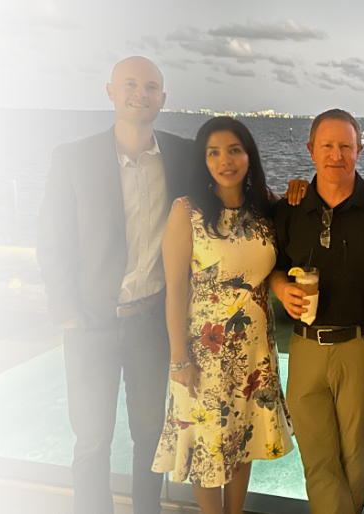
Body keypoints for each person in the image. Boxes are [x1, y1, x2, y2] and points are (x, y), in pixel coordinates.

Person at [36, 56, 199, 514]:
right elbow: (52, 239)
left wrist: (286, 193)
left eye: (151, 87)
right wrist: (65, 308)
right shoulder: (73, 158)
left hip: (151, 322)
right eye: (130, 84)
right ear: (110, 91)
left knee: (151, 436)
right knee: (91, 440)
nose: (140, 93)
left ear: (162, 100)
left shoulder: (182, 156)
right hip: (90, 324)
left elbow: (232, 181)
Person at [151, 116, 293, 514]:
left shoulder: (266, 206)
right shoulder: (187, 211)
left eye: (234, 150)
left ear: (249, 155)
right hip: (204, 352)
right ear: (204, 160)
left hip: (254, 352)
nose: (224, 160)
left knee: (242, 440)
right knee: (207, 448)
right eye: (213, 152)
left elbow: (294, 237)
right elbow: (176, 289)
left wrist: (301, 189)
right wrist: (180, 357)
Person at [266, 108, 364, 514]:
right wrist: (282, 286)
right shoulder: (291, 206)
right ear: (310, 149)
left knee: (354, 460)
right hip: (305, 347)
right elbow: (273, 266)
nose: (336, 155)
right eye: (327, 145)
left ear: (359, 149)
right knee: (318, 460)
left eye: (345, 146)